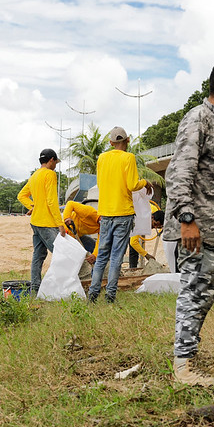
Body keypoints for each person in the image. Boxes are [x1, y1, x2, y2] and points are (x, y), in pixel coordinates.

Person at [162, 59, 214, 386]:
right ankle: (183, 368)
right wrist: (187, 220)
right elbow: (179, 173)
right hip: (194, 230)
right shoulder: (197, 120)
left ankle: (187, 358)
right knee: (194, 292)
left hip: (212, 230)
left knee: (205, 293)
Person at [87, 126, 153, 303]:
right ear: (128, 140)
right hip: (123, 213)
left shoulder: (102, 158)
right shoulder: (129, 157)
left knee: (102, 256)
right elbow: (132, 185)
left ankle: (92, 295)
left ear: (110, 142)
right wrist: (145, 182)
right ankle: (110, 296)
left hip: (105, 213)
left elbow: (100, 183)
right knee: (116, 256)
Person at [17, 148, 67, 295]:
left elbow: (21, 195)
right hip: (46, 223)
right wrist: (60, 224)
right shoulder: (50, 174)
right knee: (60, 253)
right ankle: (61, 287)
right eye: (55, 162)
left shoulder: (34, 176)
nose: (55, 165)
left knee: (38, 256)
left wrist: (33, 206)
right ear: (51, 160)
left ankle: (35, 289)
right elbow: (52, 201)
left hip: (35, 222)